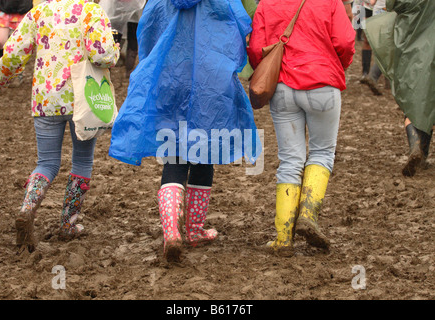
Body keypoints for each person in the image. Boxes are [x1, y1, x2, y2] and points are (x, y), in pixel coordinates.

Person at [108, 0, 261, 262]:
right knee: (205, 152)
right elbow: (240, 26)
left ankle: (171, 232)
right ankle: (194, 229)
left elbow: (148, 31)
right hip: (211, 80)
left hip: (171, 77)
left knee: (174, 153)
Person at [0, 0, 120, 253]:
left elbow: (15, 50)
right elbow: (102, 53)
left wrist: (0, 77)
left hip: (45, 98)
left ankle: (27, 209)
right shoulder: (90, 11)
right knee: (82, 162)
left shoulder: (38, 12)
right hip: (82, 98)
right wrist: (115, 50)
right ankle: (68, 224)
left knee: (47, 163)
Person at [248, 0, 355, 255]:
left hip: (283, 87)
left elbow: (255, 48)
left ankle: (283, 238)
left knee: (289, 160)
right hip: (323, 83)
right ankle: (308, 214)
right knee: (321, 153)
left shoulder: (267, 3)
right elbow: (345, 42)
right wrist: (336, 65)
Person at [365, 0, 434, 177]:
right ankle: (423, 155)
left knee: (413, 99)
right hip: (431, 45)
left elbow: (390, 5)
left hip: (411, 46)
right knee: (429, 100)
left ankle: (416, 147)